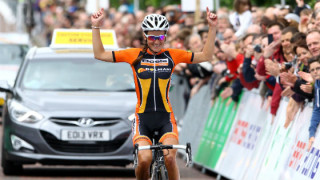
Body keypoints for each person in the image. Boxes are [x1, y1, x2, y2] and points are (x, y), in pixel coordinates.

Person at [91, 7, 217, 180]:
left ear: (165, 36)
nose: (157, 41)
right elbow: (100, 54)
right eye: (152, 36)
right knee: (144, 160)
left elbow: (206, 56)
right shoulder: (134, 55)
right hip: (143, 118)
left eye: (160, 36)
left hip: (166, 118)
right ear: (145, 36)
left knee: (170, 159)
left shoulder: (172, 55)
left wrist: (212, 28)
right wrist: (96, 27)